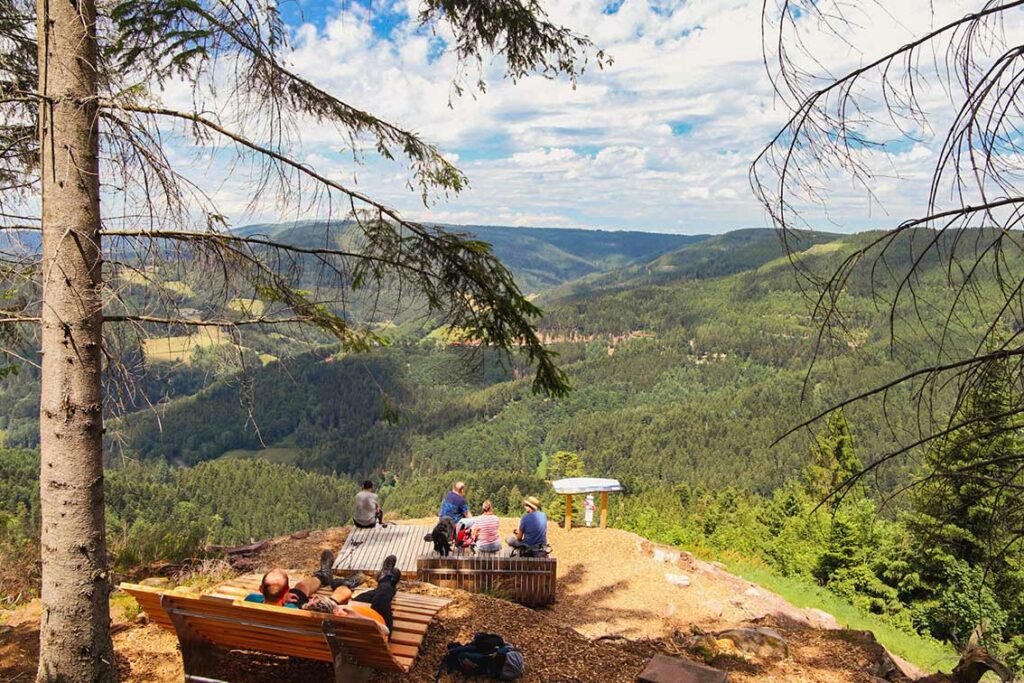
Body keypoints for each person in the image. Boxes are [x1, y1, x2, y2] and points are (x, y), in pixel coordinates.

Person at [245, 550, 400, 638]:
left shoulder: (250, 601)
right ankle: (384, 579)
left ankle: (323, 576)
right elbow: (383, 630)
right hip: (377, 623)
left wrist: (284, 598)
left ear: (260, 590)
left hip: (284, 618)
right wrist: (345, 610)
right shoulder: (300, 614)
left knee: (301, 587)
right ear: (286, 590)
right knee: (383, 593)